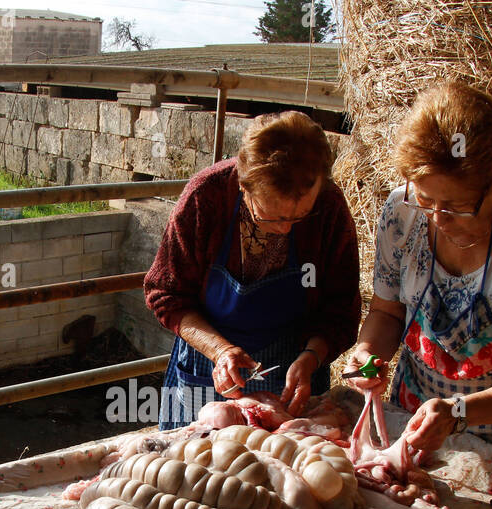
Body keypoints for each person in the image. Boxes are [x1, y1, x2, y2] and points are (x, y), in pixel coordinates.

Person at [346, 82, 492, 468]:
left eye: (457, 206)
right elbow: (387, 313)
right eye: (425, 199)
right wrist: (368, 353)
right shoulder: (401, 214)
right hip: (416, 415)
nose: (438, 218)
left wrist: (457, 414)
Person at [145, 110, 361, 428]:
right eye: (271, 217)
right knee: (193, 466)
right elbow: (167, 294)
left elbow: (340, 308)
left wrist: (312, 357)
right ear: (244, 186)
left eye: (300, 216)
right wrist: (220, 351)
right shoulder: (206, 197)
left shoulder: (329, 209)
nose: (286, 229)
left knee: (283, 467)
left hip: (293, 368)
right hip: (208, 362)